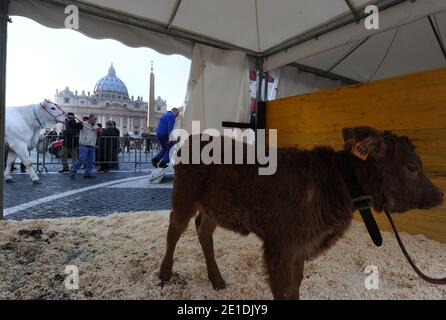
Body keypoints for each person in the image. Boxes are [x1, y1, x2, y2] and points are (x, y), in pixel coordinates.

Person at [69, 114, 102, 179]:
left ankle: (88, 173)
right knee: (82, 159)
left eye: (96, 119)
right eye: (95, 119)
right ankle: (73, 171)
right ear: (90, 118)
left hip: (92, 145)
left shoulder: (96, 126)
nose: (96, 120)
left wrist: (99, 132)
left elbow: (99, 134)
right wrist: (71, 119)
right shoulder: (82, 124)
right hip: (84, 144)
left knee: (91, 160)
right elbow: (73, 125)